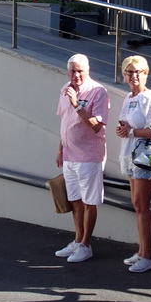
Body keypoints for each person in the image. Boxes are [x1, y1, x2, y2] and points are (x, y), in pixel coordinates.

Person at [115, 55, 151, 273]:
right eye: (129, 72)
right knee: (138, 205)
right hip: (132, 153)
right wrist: (124, 131)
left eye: (138, 72)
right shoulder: (129, 97)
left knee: (141, 205)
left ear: (146, 74)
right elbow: (126, 125)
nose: (133, 76)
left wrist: (130, 131)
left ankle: (147, 255)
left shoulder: (150, 98)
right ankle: (142, 250)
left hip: (146, 156)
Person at [54, 54, 109, 263]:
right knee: (75, 200)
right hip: (69, 155)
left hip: (89, 156)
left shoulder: (98, 91)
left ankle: (86, 244)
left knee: (88, 202)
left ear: (88, 70)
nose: (76, 75)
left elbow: (96, 126)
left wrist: (77, 104)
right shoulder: (64, 88)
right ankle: (77, 241)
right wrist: (60, 149)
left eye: (80, 71)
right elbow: (64, 122)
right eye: (72, 71)